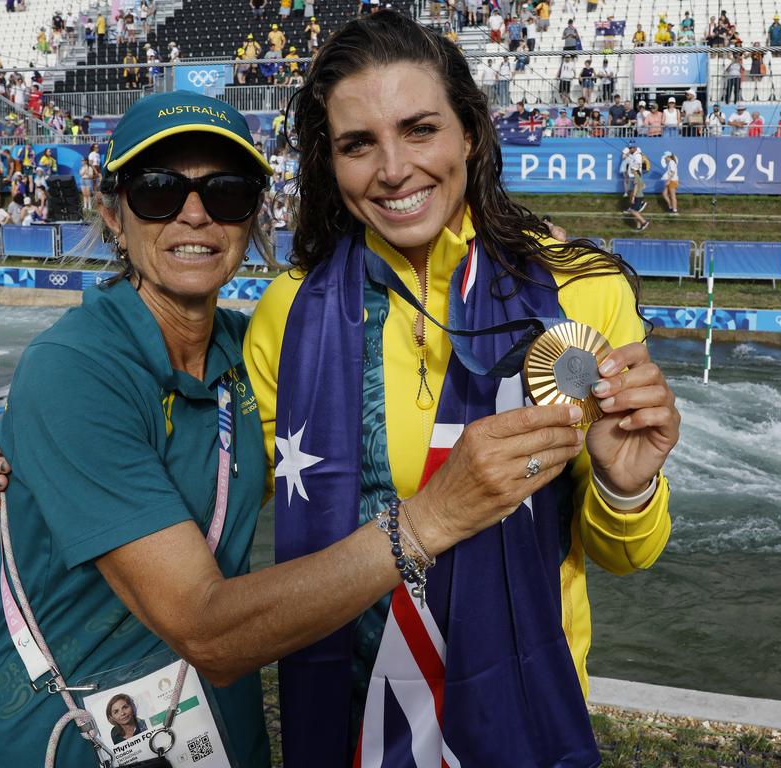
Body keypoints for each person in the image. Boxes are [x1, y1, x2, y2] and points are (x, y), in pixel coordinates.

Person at [0, 90, 549, 767]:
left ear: (253, 217)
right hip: (67, 739)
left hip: (214, 735)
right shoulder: (73, 369)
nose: (194, 213)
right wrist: (428, 522)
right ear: (112, 214)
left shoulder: (259, 349)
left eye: (227, 192)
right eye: (157, 190)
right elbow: (207, 629)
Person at [248, 12, 675, 766]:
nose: (392, 168)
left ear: (470, 133)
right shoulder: (288, 309)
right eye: (357, 144)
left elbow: (626, 557)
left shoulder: (584, 291)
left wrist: (624, 488)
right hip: (348, 726)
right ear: (329, 162)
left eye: (419, 129)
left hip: (521, 725)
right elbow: (224, 483)